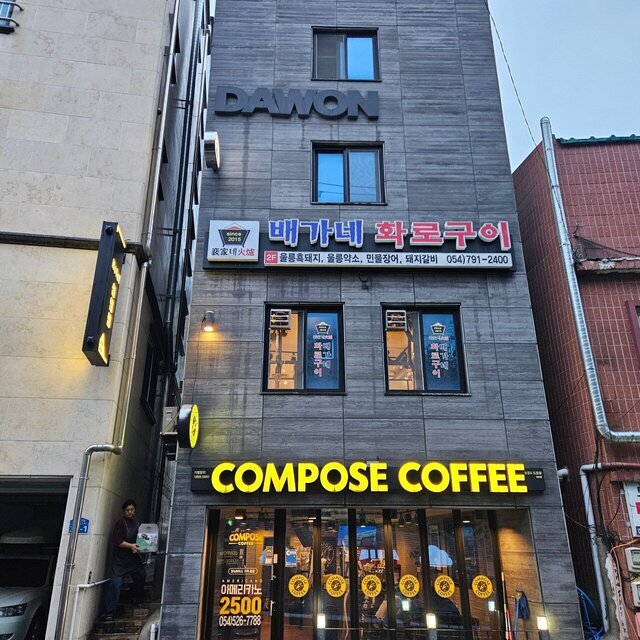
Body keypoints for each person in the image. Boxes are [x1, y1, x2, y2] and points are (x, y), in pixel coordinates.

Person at [99, 499, 146, 621]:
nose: (130, 512)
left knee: (141, 575)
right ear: (124, 511)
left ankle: (134, 598)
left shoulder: (137, 523)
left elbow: (141, 539)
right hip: (120, 559)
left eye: (132, 510)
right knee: (115, 584)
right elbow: (117, 541)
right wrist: (130, 546)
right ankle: (108, 612)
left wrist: (139, 547)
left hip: (133, 558)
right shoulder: (121, 523)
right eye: (127, 510)